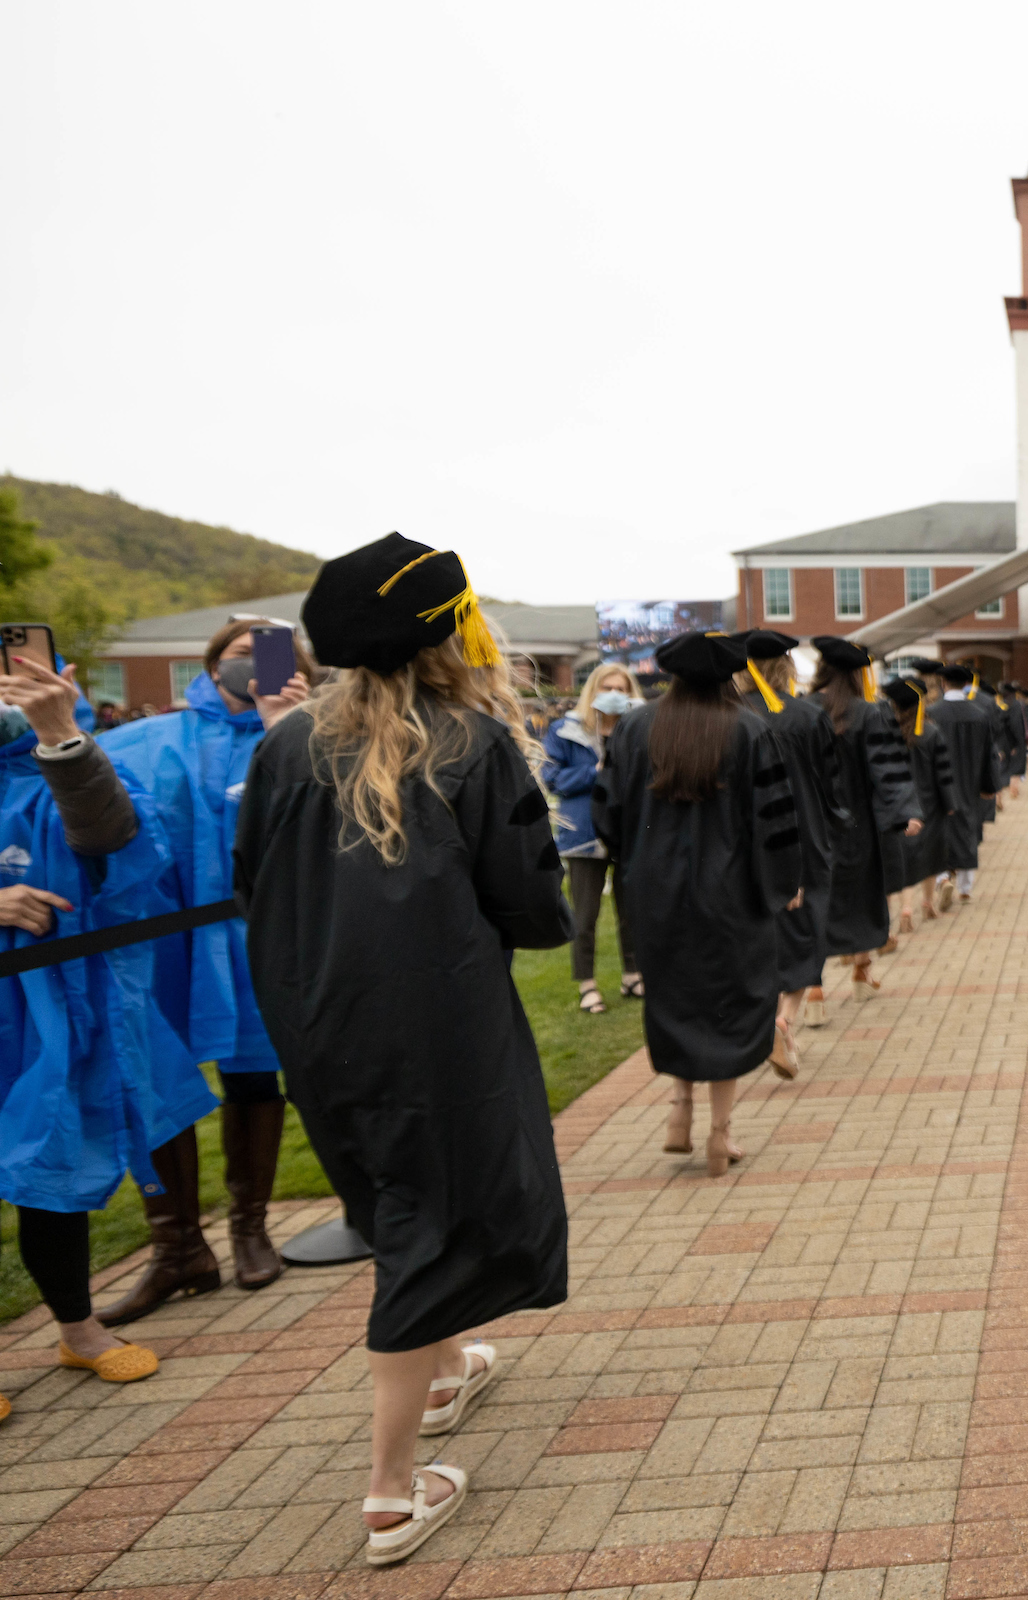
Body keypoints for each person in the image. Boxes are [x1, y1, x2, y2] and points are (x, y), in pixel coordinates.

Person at [236, 534, 573, 1565]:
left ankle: (439, 1371)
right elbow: (530, 903)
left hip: (315, 1014)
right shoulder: (468, 740)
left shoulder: (282, 744)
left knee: (395, 1197)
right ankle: (388, 1493)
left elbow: (252, 876)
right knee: (436, 1217)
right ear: (445, 635)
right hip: (440, 1021)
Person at [2, 654, 217, 1419]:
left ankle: (77, 1327)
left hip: (59, 1010)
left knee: (55, 1163)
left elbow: (120, 846)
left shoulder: (73, 760)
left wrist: (57, 732)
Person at [97, 615, 321, 1316]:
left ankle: (249, 1227)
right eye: (238, 653)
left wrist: (293, 718)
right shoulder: (146, 739)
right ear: (212, 660)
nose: (250, 663)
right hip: (164, 942)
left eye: (269, 653)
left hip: (257, 939)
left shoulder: (306, 737)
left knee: (255, 1078)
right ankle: (177, 1249)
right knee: (157, 1082)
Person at [598, 629, 806, 1170]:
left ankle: (679, 1109)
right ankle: (720, 1134)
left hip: (654, 895)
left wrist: (635, 867)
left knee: (675, 999)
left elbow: (607, 816)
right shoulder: (751, 731)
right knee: (731, 1005)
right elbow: (774, 825)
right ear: (732, 675)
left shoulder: (635, 728)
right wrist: (783, 884)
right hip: (732, 898)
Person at [734, 632, 840, 1061]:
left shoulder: (728, 715)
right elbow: (830, 784)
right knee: (804, 932)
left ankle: (762, 1021)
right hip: (803, 838)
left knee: (757, 933)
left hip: (743, 841)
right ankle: (786, 1019)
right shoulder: (807, 715)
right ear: (785, 668)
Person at [805, 638, 920, 1001]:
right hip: (858, 829)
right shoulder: (870, 713)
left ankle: (813, 989)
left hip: (811, 828)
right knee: (859, 901)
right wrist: (904, 813)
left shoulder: (802, 711)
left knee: (816, 905)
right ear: (858, 674)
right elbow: (886, 771)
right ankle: (860, 968)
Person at [540, 662, 642, 1017]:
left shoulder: (638, 728)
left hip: (629, 832)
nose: (615, 695)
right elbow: (552, 778)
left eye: (622, 689)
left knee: (631, 912)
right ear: (593, 690)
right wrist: (594, 771)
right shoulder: (565, 731)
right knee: (585, 915)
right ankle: (587, 984)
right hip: (583, 832)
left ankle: (633, 975)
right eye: (608, 687)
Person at [883, 678, 964, 927]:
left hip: (896, 804)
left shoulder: (885, 731)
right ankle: (927, 903)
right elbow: (944, 773)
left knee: (902, 859)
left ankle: (904, 908)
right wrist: (950, 803)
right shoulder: (931, 732)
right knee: (930, 856)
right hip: (929, 804)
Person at [925, 661, 1004, 908]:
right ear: (966, 684)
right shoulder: (979, 714)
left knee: (941, 829)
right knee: (968, 829)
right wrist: (990, 786)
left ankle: (943, 876)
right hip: (970, 781)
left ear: (943, 683)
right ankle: (966, 888)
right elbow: (989, 753)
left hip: (940, 783)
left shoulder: (932, 713)